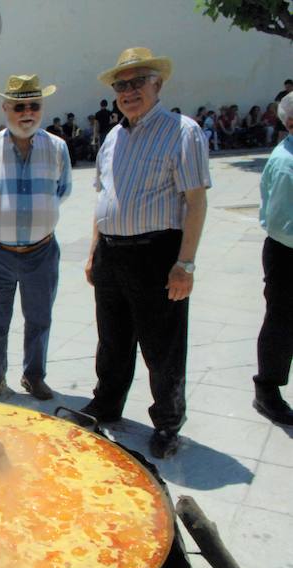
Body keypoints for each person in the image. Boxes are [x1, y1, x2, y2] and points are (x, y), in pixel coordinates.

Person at [82, 47, 210, 458]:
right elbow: (103, 200)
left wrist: (185, 264)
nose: (129, 91)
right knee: (112, 341)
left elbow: (195, 202)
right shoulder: (113, 138)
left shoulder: (182, 131)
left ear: (159, 84)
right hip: (111, 255)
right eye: (122, 85)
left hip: (156, 255)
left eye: (138, 82)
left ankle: (168, 424)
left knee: (162, 347)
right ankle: (107, 404)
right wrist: (92, 253)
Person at [0, 74, 71, 402]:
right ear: (5, 108)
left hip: (42, 252)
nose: (27, 113)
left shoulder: (57, 148)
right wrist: (2, 220)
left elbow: (62, 190)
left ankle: (34, 376)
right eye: (19, 106)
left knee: (40, 318)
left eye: (34, 106)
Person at [253, 92, 293, 426]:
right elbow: (281, 224)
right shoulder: (286, 164)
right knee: (281, 323)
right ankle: (267, 389)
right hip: (286, 255)